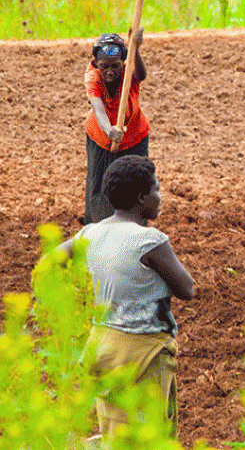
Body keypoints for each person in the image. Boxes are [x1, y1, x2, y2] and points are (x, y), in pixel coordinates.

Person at [55, 155, 193, 437]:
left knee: (114, 432)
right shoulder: (150, 241)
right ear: (142, 198)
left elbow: (49, 264)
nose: (160, 196)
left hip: (103, 346)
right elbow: (187, 289)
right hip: (144, 351)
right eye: (156, 189)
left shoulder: (91, 233)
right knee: (150, 436)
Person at [83, 31, 150, 224]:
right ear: (96, 64)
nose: (110, 71)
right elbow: (97, 107)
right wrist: (109, 130)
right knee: (100, 185)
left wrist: (135, 50)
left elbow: (142, 75)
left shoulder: (130, 73)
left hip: (135, 138)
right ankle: (98, 228)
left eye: (116, 66)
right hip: (102, 140)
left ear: (124, 63)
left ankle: (134, 229)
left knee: (135, 184)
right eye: (104, 66)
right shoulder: (92, 77)